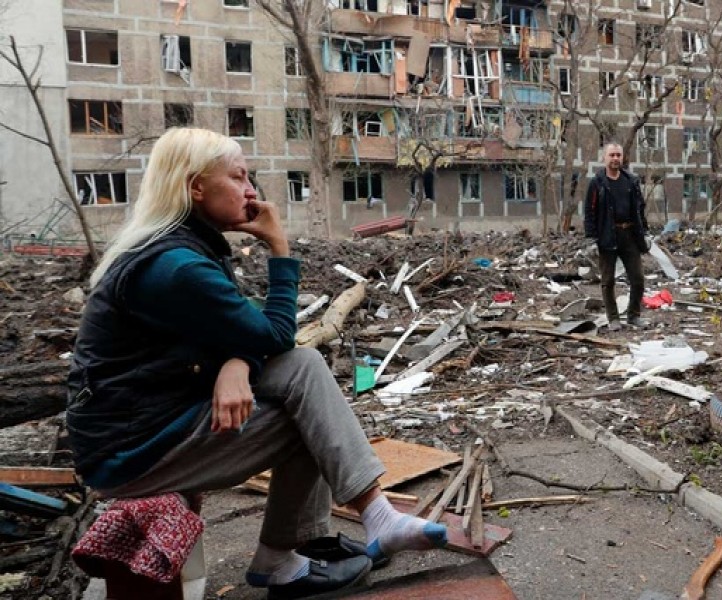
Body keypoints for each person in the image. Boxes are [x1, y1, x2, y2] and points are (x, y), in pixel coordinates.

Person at [66, 128, 447, 599]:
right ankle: (297, 554)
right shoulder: (178, 267)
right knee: (307, 412)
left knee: (303, 369)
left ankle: (349, 529)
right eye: (238, 177)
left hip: (151, 423)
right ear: (195, 187)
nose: (251, 191)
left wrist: (237, 364)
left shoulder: (178, 247)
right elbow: (272, 334)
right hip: (131, 453)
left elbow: (243, 333)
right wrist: (280, 249)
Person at [584, 142, 651, 331]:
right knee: (608, 280)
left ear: (622, 158)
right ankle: (613, 318)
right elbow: (589, 212)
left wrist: (644, 232)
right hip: (607, 236)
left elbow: (640, 208)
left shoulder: (631, 181)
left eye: (618, 155)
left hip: (630, 235)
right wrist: (591, 238)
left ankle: (634, 315)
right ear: (604, 157)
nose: (615, 159)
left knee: (637, 278)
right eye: (612, 155)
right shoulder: (597, 183)